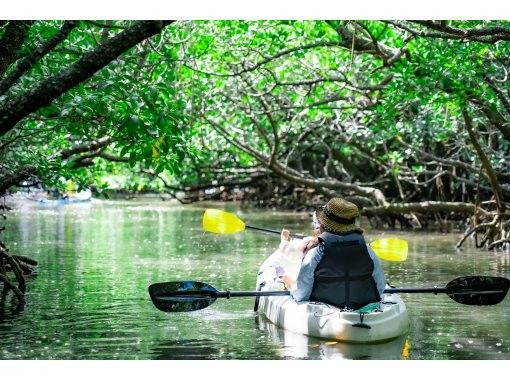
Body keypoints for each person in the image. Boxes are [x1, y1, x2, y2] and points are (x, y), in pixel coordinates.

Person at [287, 197, 386, 310]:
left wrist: (290, 286)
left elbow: (300, 294)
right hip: (364, 310)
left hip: (325, 315)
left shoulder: (315, 254)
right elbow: (380, 287)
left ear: (324, 225)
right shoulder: (368, 251)